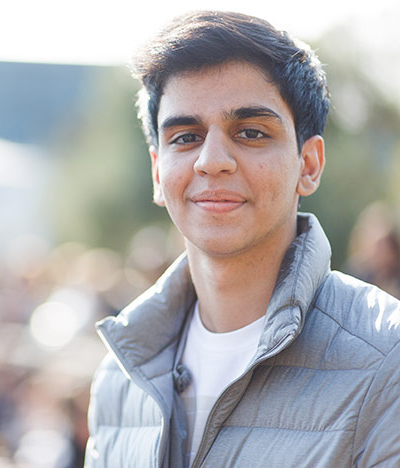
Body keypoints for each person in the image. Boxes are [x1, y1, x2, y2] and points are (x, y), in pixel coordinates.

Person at [84, 11, 400, 468]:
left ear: (308, 164)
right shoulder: (120, 379)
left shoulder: (387, 362)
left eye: (251, 132)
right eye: (186, 136)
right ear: (158, 172)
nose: (212, 161)